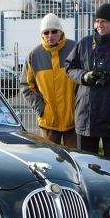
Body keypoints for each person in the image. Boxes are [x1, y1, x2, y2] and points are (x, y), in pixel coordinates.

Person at [65, 3, 110, 161]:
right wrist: (84, 76)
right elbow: (69, 67)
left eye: (104, 21)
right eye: (97, 21)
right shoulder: (84, 43)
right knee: (85, 165)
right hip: (87, 117)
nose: (99, 25)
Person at [20, 13, 77, 147]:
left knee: (75, 160)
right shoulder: (33, 56)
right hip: (48, 123)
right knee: (50, 162)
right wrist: (42, 109)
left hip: (73, 121)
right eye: (46, 32)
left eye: (54, 31)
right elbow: (26, 86)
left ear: (61, 32)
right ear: (42, 34)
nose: (50, 35)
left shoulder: (75, 49)